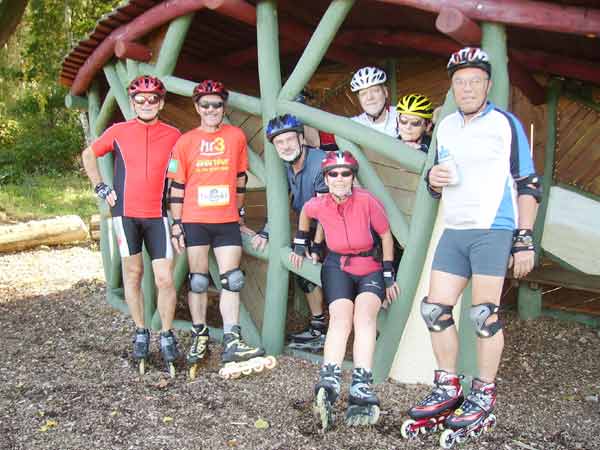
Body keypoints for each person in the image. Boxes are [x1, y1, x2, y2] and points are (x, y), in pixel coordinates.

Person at [403, 47, 541, 445]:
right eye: (460, 82)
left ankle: (483, 394)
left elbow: (528, 183)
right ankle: (448, 387)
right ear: (452, 86)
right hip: (455, 228)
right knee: (434, 309)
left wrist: (524, 239)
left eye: (474, 81)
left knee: (483, 315)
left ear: (488, 85)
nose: (467, 88)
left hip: (493, 229)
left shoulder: (505, 124)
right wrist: (433, 179)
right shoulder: (445, 127)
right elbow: (435, 179)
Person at [168, 79, 275, 380]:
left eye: (217, 104)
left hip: (226, 220)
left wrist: (239, 213)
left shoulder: (235, 136)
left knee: (233, 280)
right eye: (205, 104)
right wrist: (177, 225)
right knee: (199, 281)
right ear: (197, 107)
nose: (211, 109)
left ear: (223, 107)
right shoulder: (185, 142)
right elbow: (177, 186)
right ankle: (199, 334)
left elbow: (240, 179)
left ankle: (232, 340)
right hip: (194, 219)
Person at [290, 151, 400, 431]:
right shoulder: (319, 203)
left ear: (353, 176)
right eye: (333, 174)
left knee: (364, 317)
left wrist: (388, 275)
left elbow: (386, 235)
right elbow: (305, 213)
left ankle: (361, 384)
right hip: (337, 265)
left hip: (370, 266)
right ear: (326, 178)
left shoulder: (366, 200)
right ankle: (329, 379)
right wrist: (303, 244)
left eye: (345, 173)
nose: (339, 178)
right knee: (340, 318)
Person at [81, 75, 182, 376]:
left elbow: (178, 170)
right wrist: (100, 186)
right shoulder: (119, 131)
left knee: (165, 279)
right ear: (132, 102)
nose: (147, 103)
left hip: (157, 216)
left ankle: (166, 334)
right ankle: (140, 330)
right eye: (141, 99)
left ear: (161, 103)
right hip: (124, 215)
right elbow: (88, 154)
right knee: (134, 273)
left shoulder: (174, 134)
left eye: (153, 99)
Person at [251, 113, 329, 352]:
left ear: (301, 139)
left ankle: (327, 331)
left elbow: (326, 212)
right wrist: (266, 231)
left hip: (336, 224)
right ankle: (318, 328)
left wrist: (316, 247)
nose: (285, 146)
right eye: (279, 142)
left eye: (289, 140)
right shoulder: (283, 165)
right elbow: (279, 201)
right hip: (310, 224)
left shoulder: (319, 162)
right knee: (303, 270)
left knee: (316, 266)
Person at [350, 66, 398, 137]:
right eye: (363, 93)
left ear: (385, 92)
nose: (369, 97)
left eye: (375, 90)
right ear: (359, 99)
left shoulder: (402, 116)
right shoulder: (353, 124)